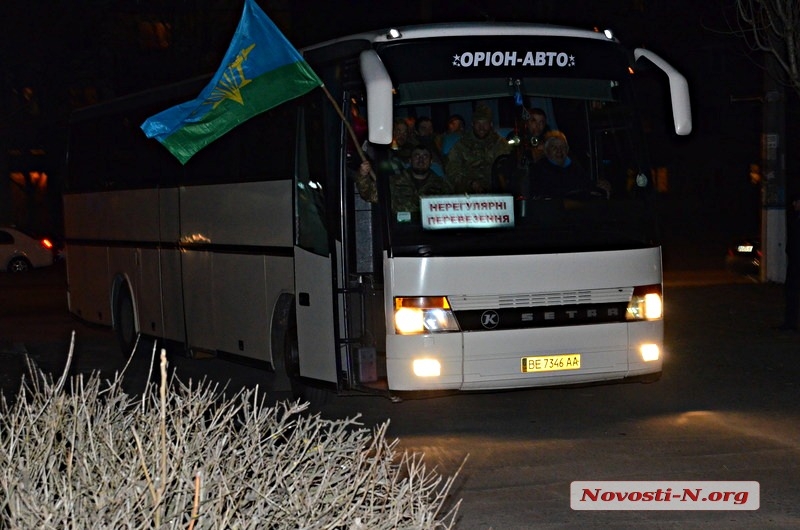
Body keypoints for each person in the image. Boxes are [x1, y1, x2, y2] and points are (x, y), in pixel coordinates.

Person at [354, 145, 453, 214]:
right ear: (410, 160)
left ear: (431, 162)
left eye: (425, 156)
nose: (421, 160)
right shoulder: (393, 181)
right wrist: (362, 174)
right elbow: (369, 194)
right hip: (400, 236)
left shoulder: (442, 186)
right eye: (417, 156)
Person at [446, 103, 512, 193]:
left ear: (491, 124)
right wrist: (470, 183)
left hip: (495, 191)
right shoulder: (461, 145)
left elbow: (509, 169)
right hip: (468, 193)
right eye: (478, 123)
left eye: (485, 123)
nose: (481, 127)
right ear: (472, 124)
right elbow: (452, 170)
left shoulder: (501, 144)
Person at [532, 131, 610, 198]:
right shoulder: (540, 170)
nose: (559, 150)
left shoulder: (576, 168)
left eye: (562, 147)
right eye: (554, 147)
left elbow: (587, 184)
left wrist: (600, 186)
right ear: (547, 151)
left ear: (567, 149)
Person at [779, 191, 800, 331]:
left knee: (793, 292)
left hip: (797, 261)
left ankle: (791, 323)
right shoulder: (796, 217)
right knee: (791, 292)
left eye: (796, 201)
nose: (794, 204)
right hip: (794, 260)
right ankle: (790, 322)